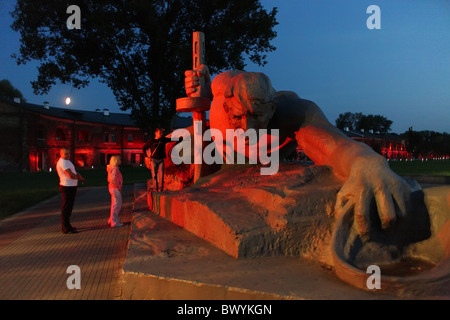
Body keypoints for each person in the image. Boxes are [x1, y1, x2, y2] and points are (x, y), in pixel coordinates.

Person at [184, 65, 412, 238]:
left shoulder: (292, 111)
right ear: (225, 106)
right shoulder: (221, 87)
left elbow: (331, 143)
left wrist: (362, 160)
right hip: (222, 159)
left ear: (271, 109)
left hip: (263, 161)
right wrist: (200, 86)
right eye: (238, 116)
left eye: (257, 116)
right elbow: (206, 82)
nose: (248, 128)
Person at [56, 148, 85, 234]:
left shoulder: (67, 161)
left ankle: (68, 225)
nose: (68, 155)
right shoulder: (63, 162)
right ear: (61, 154)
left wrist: (78, 176)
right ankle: (65, 227)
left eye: (69, 153)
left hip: (71, 186)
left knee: (69, 207)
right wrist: (79, 178)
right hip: (67, 186)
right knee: (66, 207)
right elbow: (70, 175)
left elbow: (73, 172)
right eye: (66, 154)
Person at [107, 155, 124, 227]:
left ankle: (111, 220)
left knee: (115, 204)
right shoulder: (115, 169)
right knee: (117, 205)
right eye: (119, 159)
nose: (120, 161)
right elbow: (112, 179)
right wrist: (118, 186)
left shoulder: (111, 168)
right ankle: (114, 222)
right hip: (115, 188)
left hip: (112, 187)